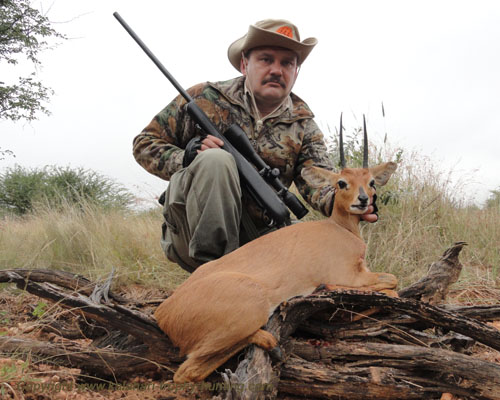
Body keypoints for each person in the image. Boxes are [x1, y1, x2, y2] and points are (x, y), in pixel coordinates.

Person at [133, 19, 377, 273]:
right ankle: (216, 276)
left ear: (296, 71)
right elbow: (144, 144)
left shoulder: (304, 125)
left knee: (317, 261)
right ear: (244, 64)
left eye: (287, 63)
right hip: (189, 235)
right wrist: (187, 157)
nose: (276, 70)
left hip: (261, 238)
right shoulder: (204, 98)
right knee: (216, 160)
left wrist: (358, 201)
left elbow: (319, 181)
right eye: (266, 59)